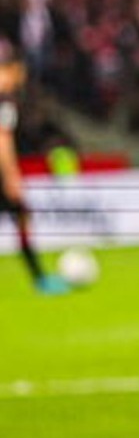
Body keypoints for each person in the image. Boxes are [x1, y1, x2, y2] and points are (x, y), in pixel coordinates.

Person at [0, 57, 68, 296]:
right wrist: (11, 176)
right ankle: (40, 278)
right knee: (22, 217)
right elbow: (3, 139)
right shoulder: (4, 100)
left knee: (22, 215)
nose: (19, 80)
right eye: (18, 74)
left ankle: (40, 277)